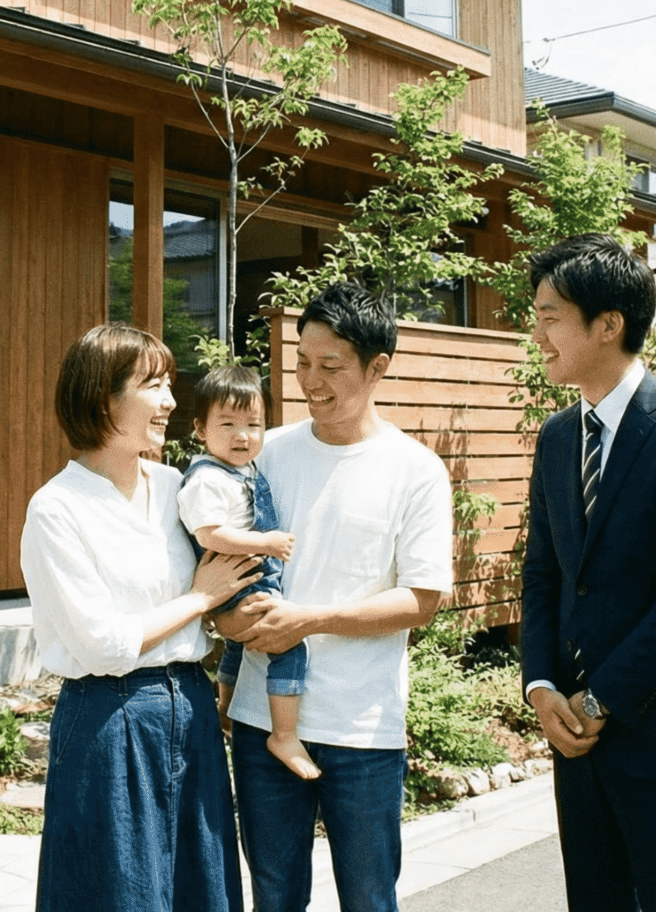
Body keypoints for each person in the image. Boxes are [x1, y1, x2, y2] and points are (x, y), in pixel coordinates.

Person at [518, 234, 656, 912]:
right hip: (577, 750)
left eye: (551, 314)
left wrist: (598, 699)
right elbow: (542, 575)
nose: (537, 331)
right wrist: (541, 685)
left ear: (608, 323)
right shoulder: (559, 437)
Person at [216, 281, 454, 912]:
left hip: (364, 727)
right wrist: (233, 620)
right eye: (301, 363)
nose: (310, 382)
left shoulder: (415, 470)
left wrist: (310, 620)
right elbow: (226, 565)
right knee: (273, 896)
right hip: (261, 721)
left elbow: (422, 599)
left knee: (370, 899)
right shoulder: (268, 455)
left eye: (330, 367)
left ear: (378, 367)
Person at [20, 322, 260, 912]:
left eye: (170, 384)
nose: (172, 403)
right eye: (154, 385)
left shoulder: (178, 485)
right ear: (104, 397)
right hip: (110, 720)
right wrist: (200, 599)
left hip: (192, 707)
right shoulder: (57, 508)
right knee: (118, 894)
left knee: (200, 890)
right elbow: (105, 644)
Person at [177, 364, 317, 780]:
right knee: (289, 645)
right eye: (228, 424)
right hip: (237, 575)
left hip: (248, 574)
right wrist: (266, 543)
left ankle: (226, 708)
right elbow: (210, 533)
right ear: (201, 429)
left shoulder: (242, 469)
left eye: (254, 425)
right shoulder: (207, 479)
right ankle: (285, 734)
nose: (243, 435)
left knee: (240, 648)